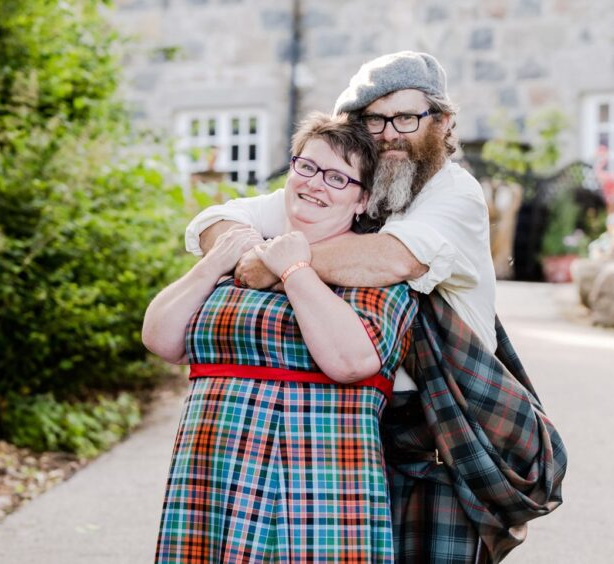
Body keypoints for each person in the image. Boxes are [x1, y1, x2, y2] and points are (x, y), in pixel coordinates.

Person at [185, 52, 566, 563]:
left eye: (406, 118)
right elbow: (216, 219)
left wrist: (277, 261)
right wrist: (246, 246)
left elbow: (389, 259)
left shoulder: (455, 193)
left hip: (439, 437)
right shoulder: (350, 186)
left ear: (443, 122)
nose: (389, 133)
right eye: (374, 119)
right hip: (347, 429)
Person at [143, 112, 418, 562]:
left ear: (363, 199)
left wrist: (294, 269)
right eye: (306, 167)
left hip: (319, 483)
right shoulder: (245, 252)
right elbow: (161, 339)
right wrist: (215, 263)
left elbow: (352, 362)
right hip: (215, 473)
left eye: (337, 177)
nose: (315, 184)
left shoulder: (372, 270)